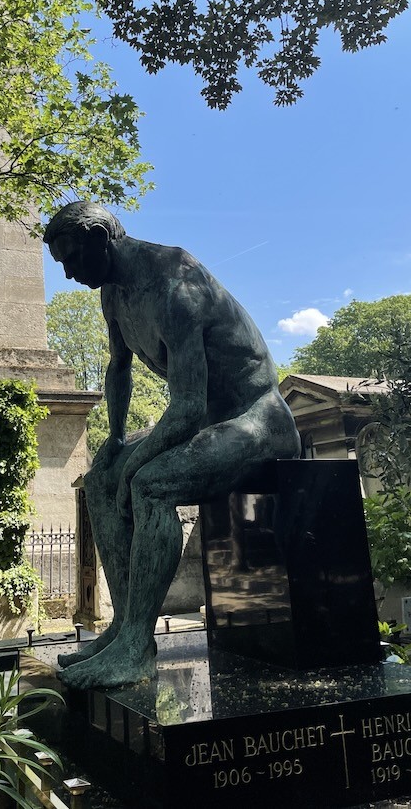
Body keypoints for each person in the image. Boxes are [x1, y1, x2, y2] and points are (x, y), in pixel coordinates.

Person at [44, 202, 300, 689]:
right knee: (100, 481)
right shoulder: (113, 293)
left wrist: (136, 461)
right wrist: (116, 439)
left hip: (257, 419)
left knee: (150, 484)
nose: (69, 273)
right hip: (211, 419)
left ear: (101, 239)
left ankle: (137, 647)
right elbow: (118, 367)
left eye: (72, 258)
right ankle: (124, 628)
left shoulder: (175, 284)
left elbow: (186, 406)